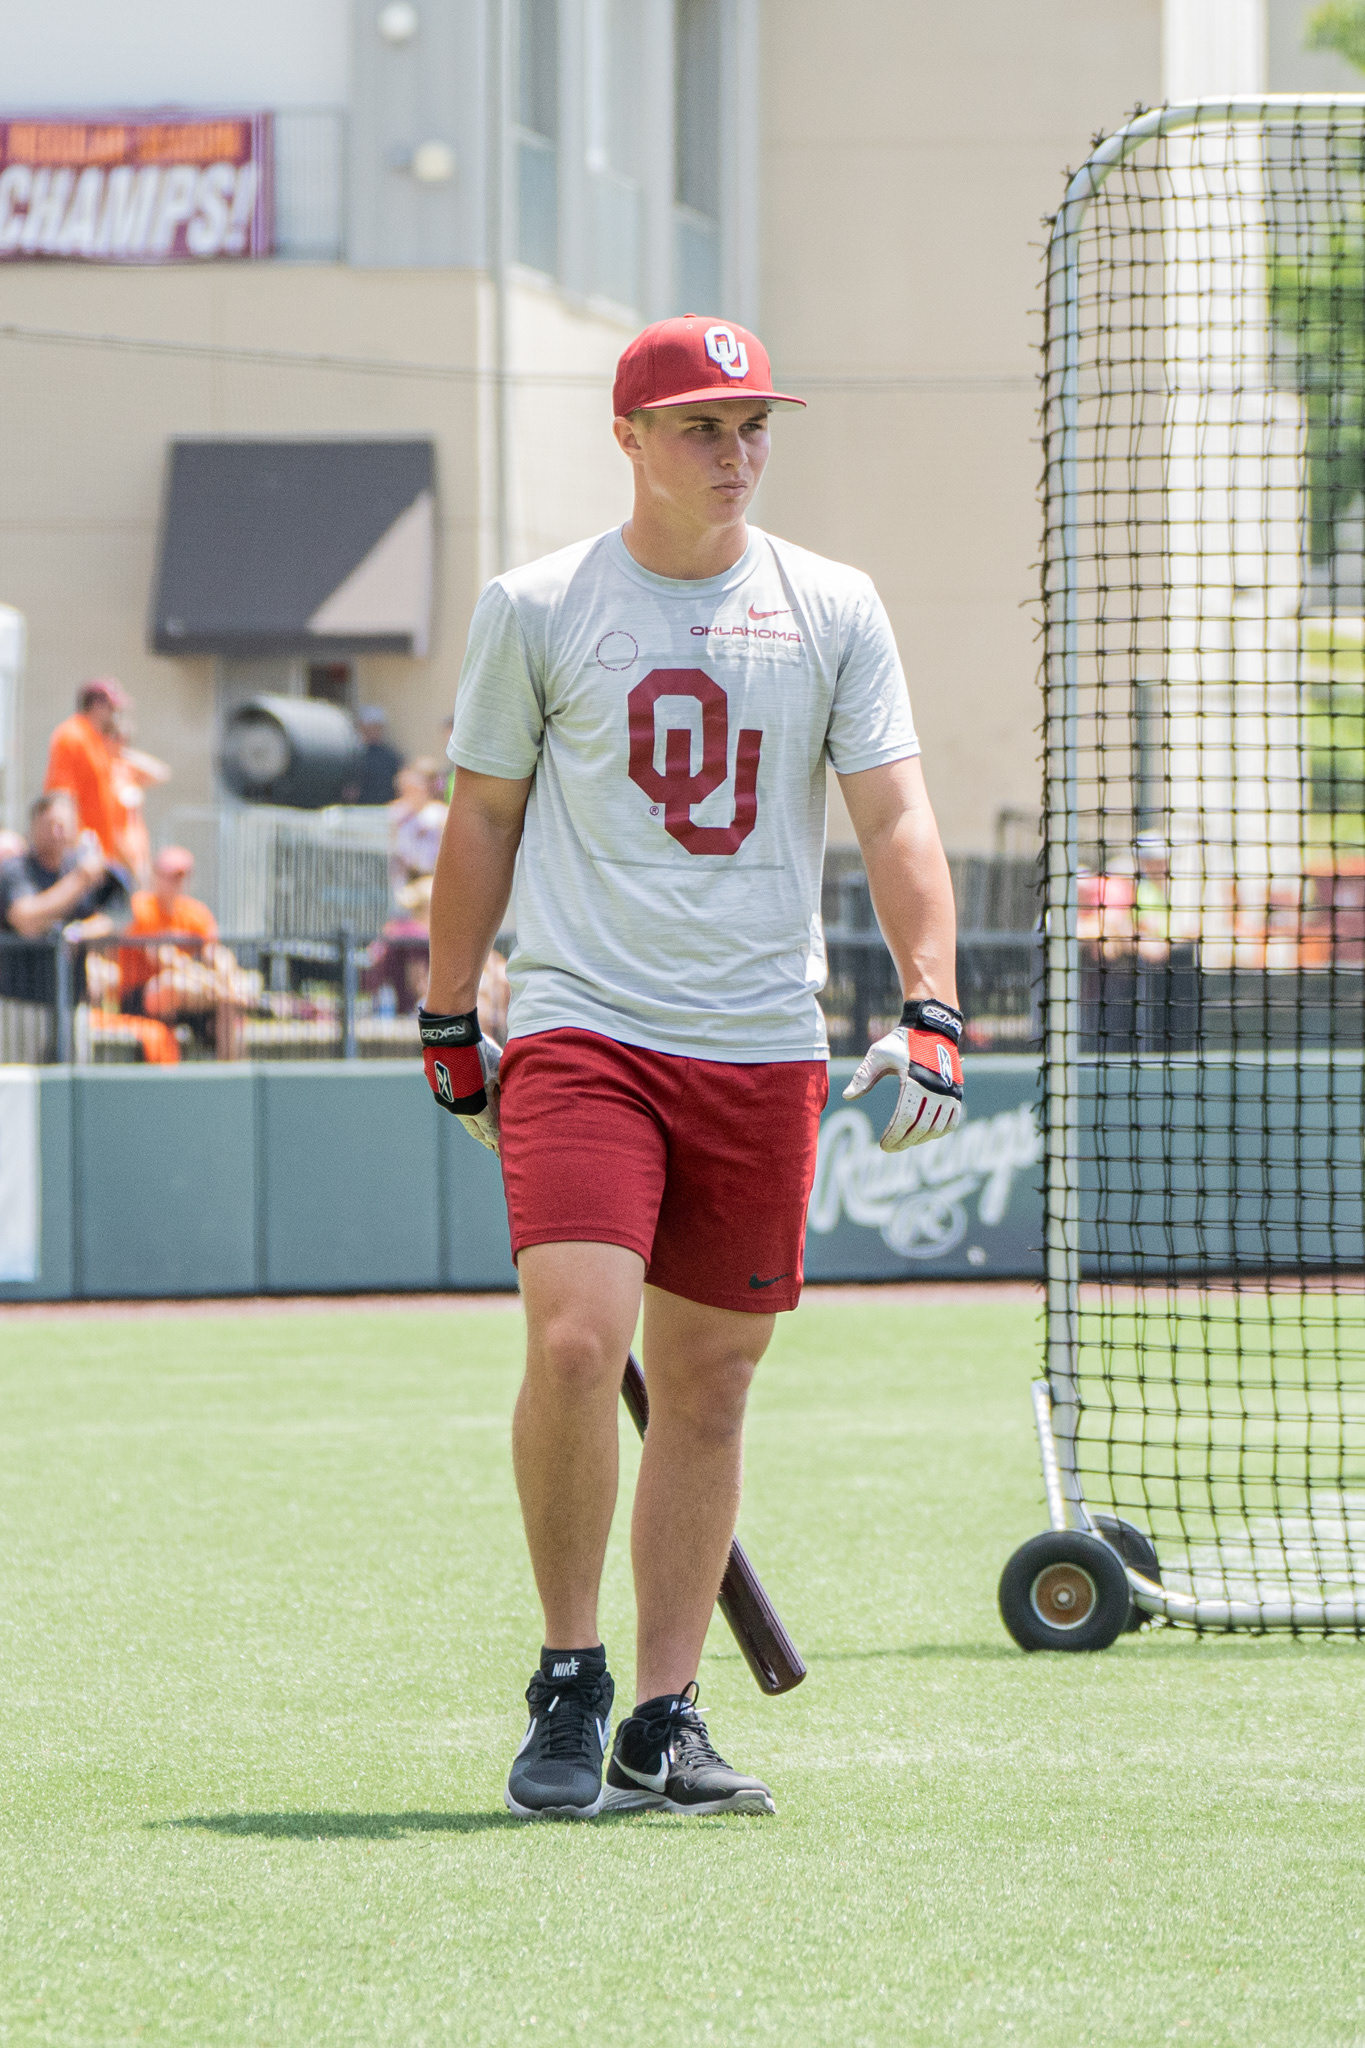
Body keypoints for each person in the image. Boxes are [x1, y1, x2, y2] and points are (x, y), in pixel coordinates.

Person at [419, 314, 962, 1821]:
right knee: (580, 1344)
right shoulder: (536, 605)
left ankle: (663, 1716)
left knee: (711, 1389)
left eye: (751, 426)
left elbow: (897, 820)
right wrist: (450, 1012)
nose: (734, 453)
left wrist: (934, 1005)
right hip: (587, 1029)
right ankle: (568, 1677)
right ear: (630, 440)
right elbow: (480, 819)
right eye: (700, 427)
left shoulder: (832, 604)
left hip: (759, 1040)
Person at [0, 789, 130, 1017]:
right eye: (50, 824)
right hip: (21, 1003)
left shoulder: (85, 866)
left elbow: (120, 918)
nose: (56, 832)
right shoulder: (16, 870)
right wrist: (80, 880)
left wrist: (81, 932)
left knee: (72, 1053)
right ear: (34, 827)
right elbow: (27, 920)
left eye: (64, 824)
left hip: (72, 1000)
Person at [119, 847, 252, 1061]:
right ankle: (227, 994)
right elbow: (163, 959)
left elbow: (216, 954)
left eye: (182, 876)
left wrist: (228, 976)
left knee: (230, 999)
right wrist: (211, 982)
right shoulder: (142, 907)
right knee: (175, 983)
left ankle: (231, 1078)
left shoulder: (196, 912)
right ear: (156, 876)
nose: (177, 883)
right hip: (141, 998)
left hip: (193, 996)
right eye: (171, 876)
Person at [348, 707, 405, 806]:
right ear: (362, 727)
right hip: (360, 809)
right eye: (371, 726)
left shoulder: (390, 756)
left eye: (378, 727)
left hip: (385, 808)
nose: (375, 730)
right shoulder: (353, 754)